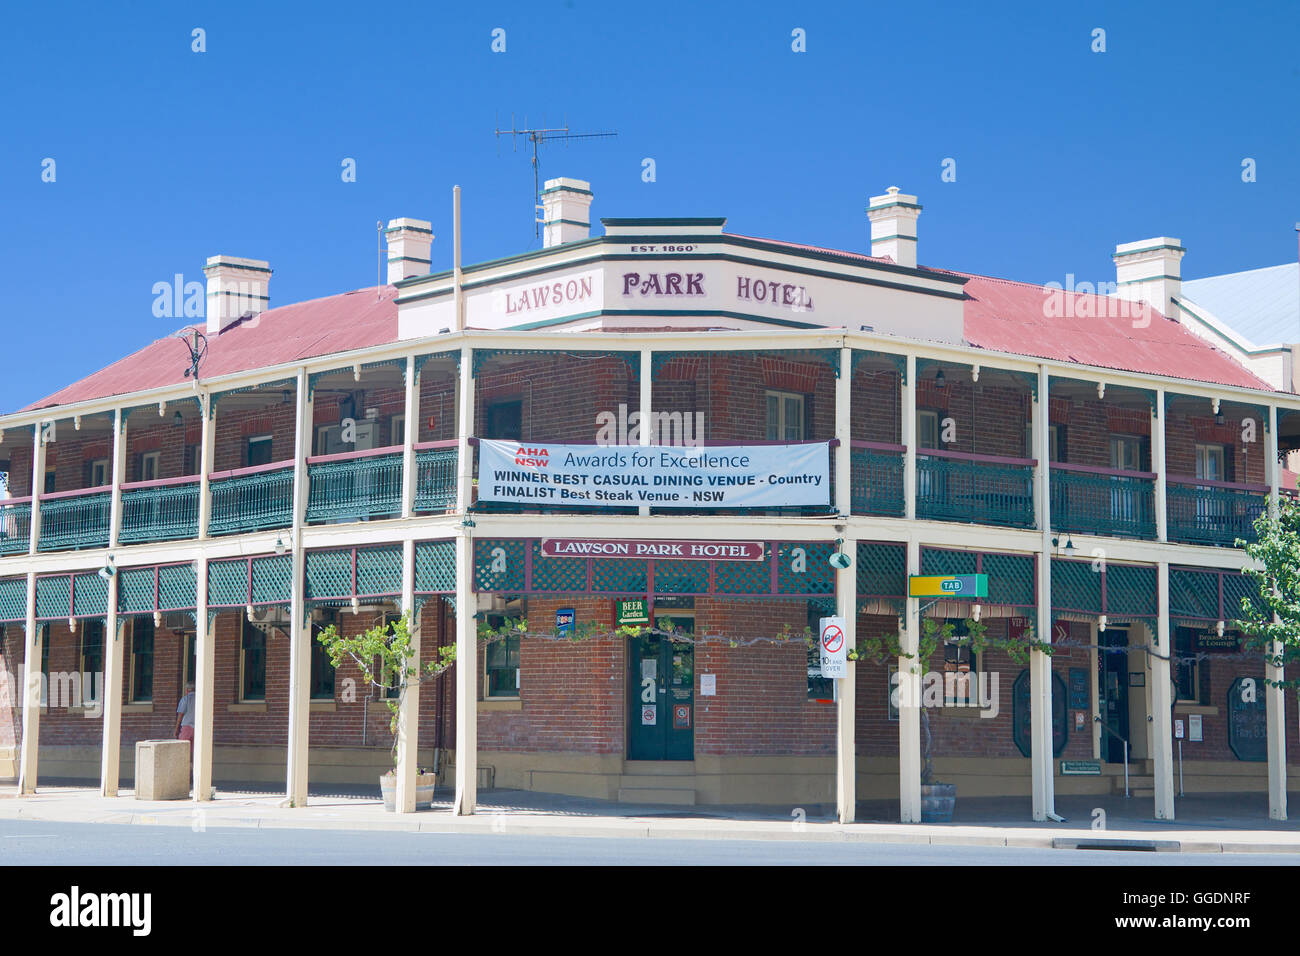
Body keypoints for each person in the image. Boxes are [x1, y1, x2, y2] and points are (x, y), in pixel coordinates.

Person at [175, 681, 196, 754]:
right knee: (195, 750)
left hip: (187, 726)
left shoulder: (185, 699)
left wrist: (176, 728)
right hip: (198, 728)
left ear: (187, 690)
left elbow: (180, 714)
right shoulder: (200, 699)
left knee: (182, 747)